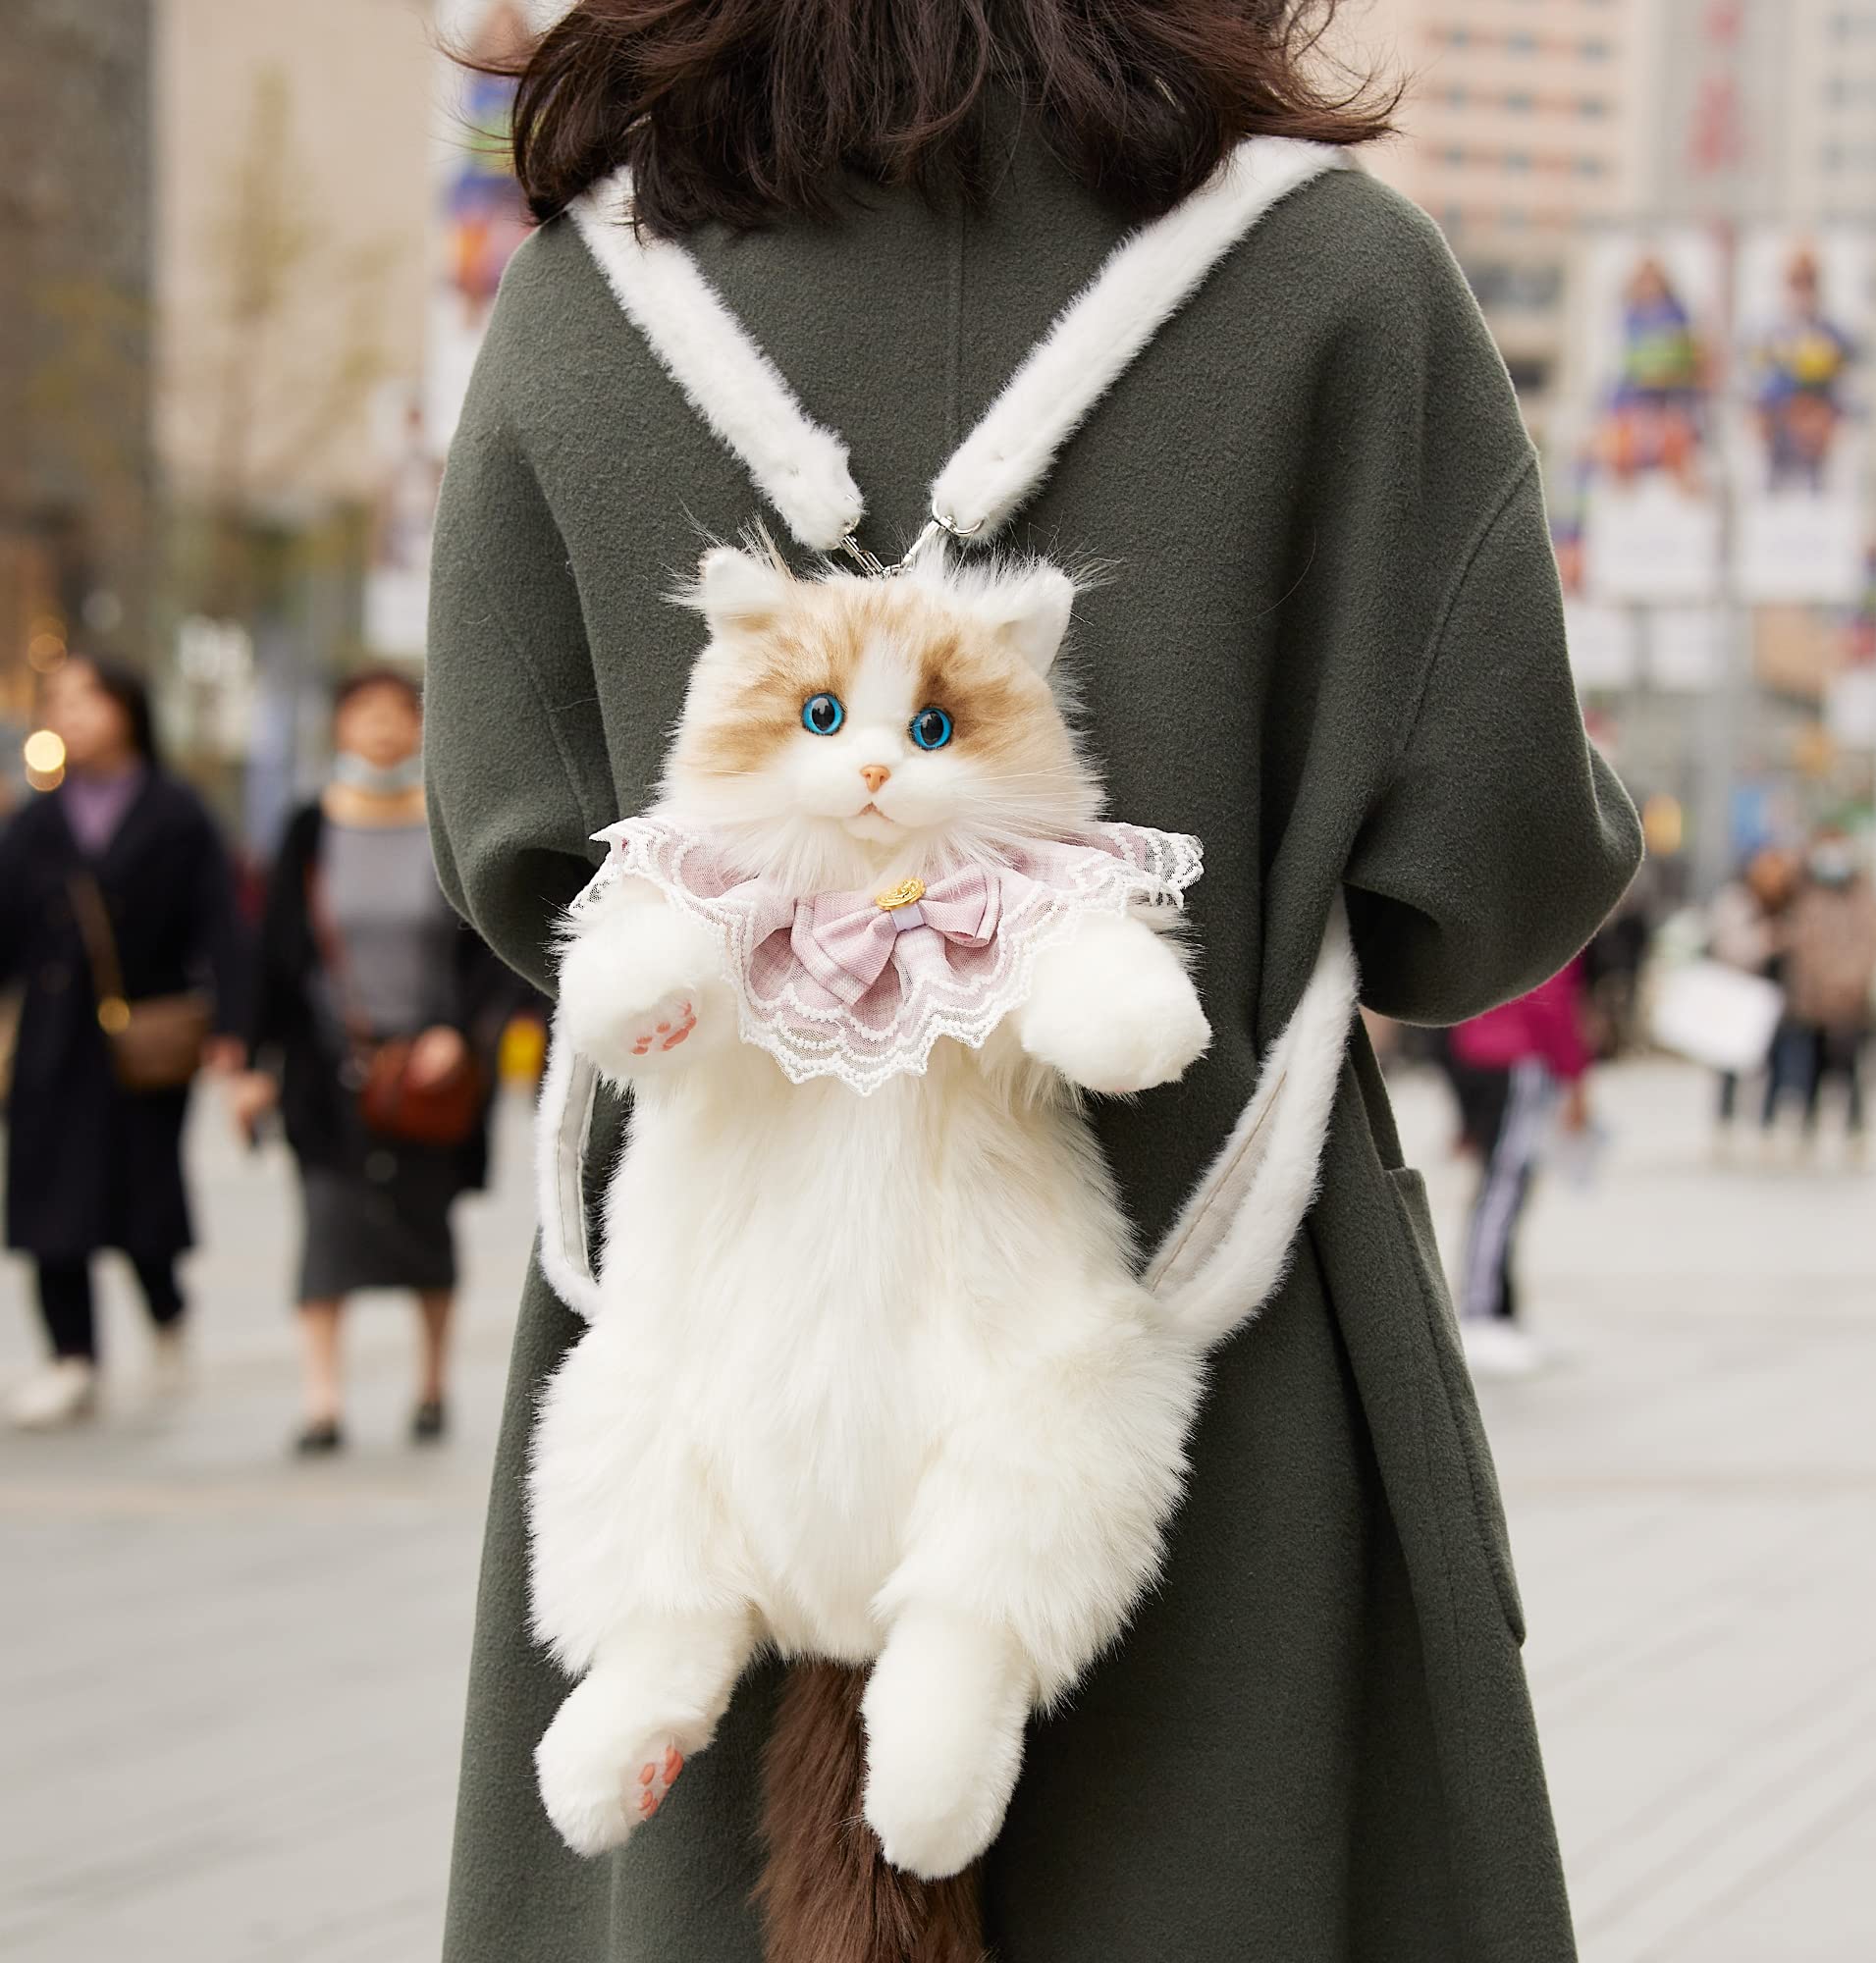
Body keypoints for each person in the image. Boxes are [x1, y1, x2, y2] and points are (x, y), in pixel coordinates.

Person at [424, 5, 1642, 1959]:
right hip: (1228, 1413)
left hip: (738, 1343)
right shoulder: (1336, 278)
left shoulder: (587, 304)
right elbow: (1479, 886)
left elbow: (510, 855)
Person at [233, 669, 516, 1455]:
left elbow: (485, 948)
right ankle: (322, 1401)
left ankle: (431, 1385)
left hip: (431, 1069)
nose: (385, 730)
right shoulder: (307, 827)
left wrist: (459, 1033)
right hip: (328, 1067)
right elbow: (275, 953)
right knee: (326, 1224)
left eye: (400, 715)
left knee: (426, 1229)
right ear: (340, 728)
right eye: (366, 715)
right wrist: (252, 1061)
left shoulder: (445, 822)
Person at [0, 656, 243, 1427]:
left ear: (128, 708)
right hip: (49, 1042)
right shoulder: (33, 820)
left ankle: (167, 1313)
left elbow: (222, 926)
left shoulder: (176, 811)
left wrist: (235, 1029)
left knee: (143, 1193)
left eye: (85, 697)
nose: (67, 712)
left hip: (142, 1046)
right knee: (47, 1204)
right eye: (57, 700)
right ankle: (73, 1358)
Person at [1447, 961, 1594, 1379]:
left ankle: (1500, 1311)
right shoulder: (1556, 906)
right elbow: (1552, 999)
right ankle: (1481, 1311)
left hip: (1479, 1046)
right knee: (1504, 1187)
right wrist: (1575, 1075)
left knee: (1502, 1186)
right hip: (1514, 1053)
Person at [1777, 827, 1876, 1156]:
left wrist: (1848, 981)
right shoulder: (1807, 894)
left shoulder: (1862, 897)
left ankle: (1855, 1130)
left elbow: (1872, 944)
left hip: (1851, 1002)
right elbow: (1799, 945)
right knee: (1811, 1067)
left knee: (1851, 1069)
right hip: (1813, 1004)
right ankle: (1807, 1128)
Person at [1708, 843, 1800, 1143]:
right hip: (1739, 990)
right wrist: (1767, 940)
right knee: (1730, 1061)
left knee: (1775, 1058)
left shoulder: (1790, 906)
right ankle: (1725, 1121)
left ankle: (1767, 1122)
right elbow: (1729, 947)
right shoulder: (1737, 901)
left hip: (1775, 995)